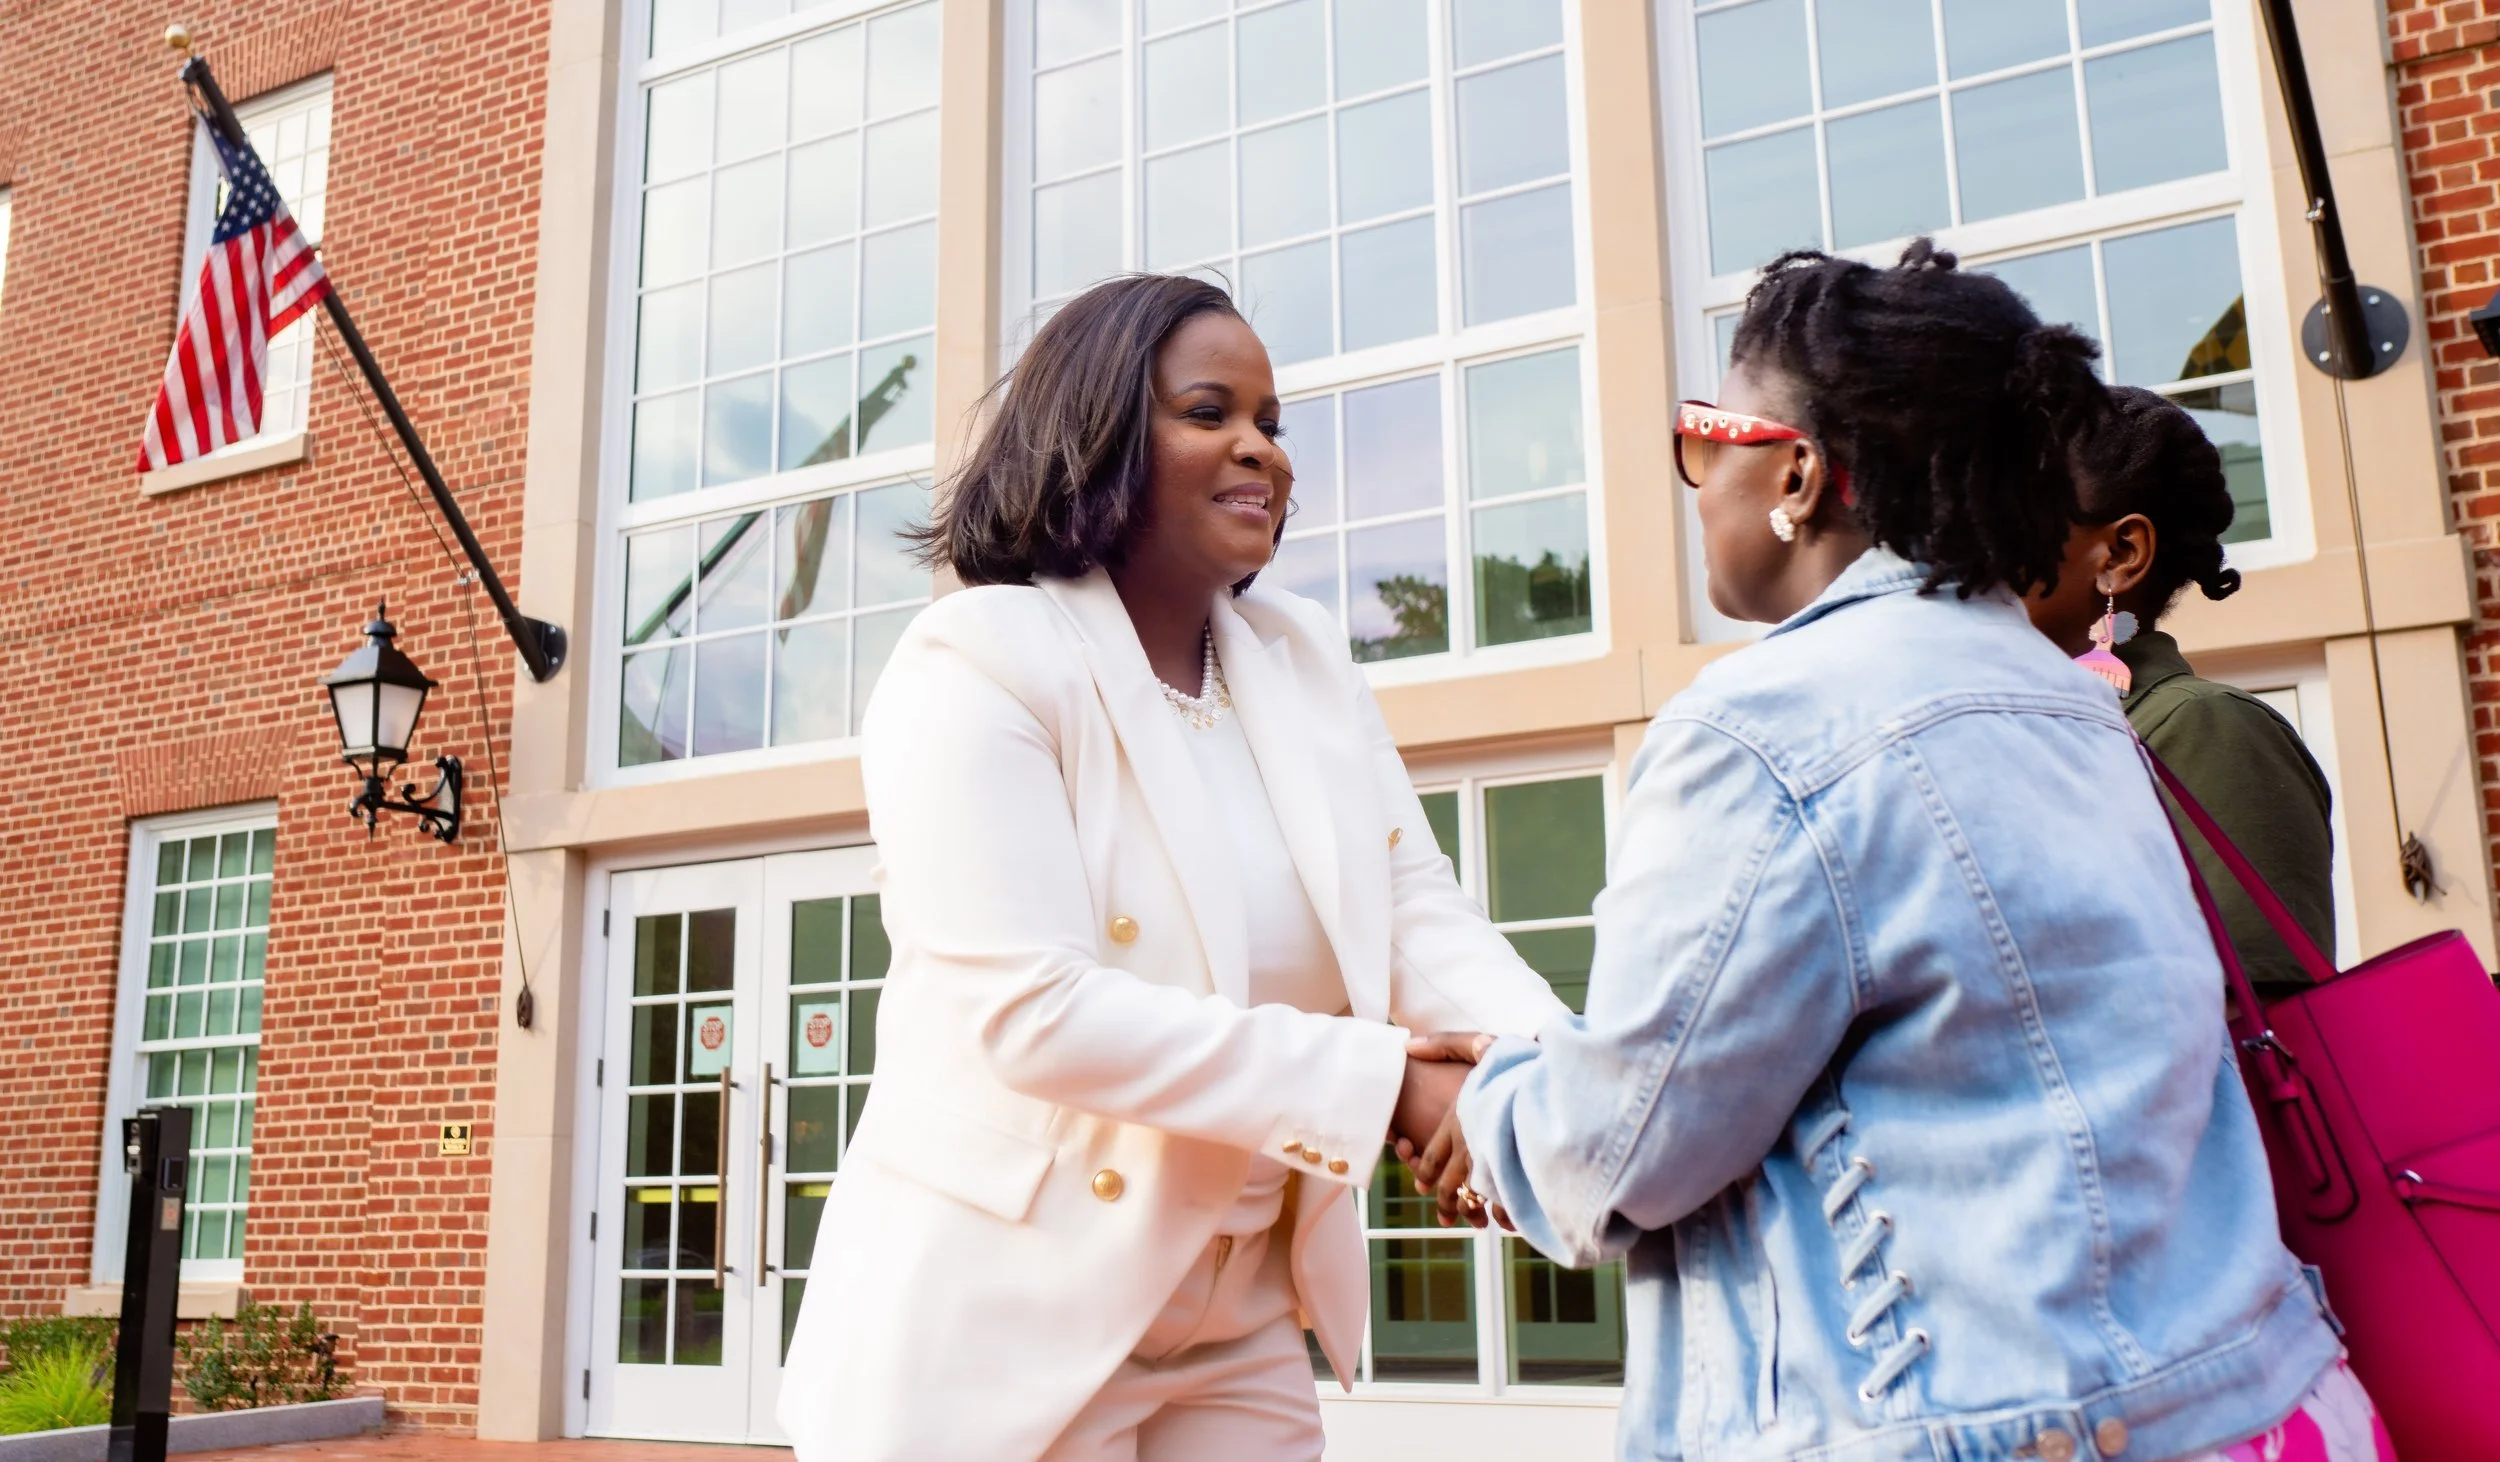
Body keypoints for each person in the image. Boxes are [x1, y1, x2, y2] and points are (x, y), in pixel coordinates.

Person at [1407, 243, 2386, 1462]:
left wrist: (1462, 1094)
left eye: (1703, 439)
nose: (1695, 479)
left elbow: (1612, 1157)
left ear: (1801, 471)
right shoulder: (2075, 702)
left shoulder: (1765, 725)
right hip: (2261, 1404)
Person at [774, 272, 1569, 1462]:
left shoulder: (1308, 668)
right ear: (1096, 437)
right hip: (999, 1311)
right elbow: (1036, 1013)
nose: (1261, 447)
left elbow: (1414, 915)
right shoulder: (977, 659)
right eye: (1211, 412)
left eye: (1272, 422)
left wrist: (1557, 1087)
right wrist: (1391, 1086)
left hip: (1238, 1307)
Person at [2026, 385, 2336, 994]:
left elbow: (2261, 1016)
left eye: (2002, 518)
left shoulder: (2202, 730)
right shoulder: (2017, 736)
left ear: (2119, 554)